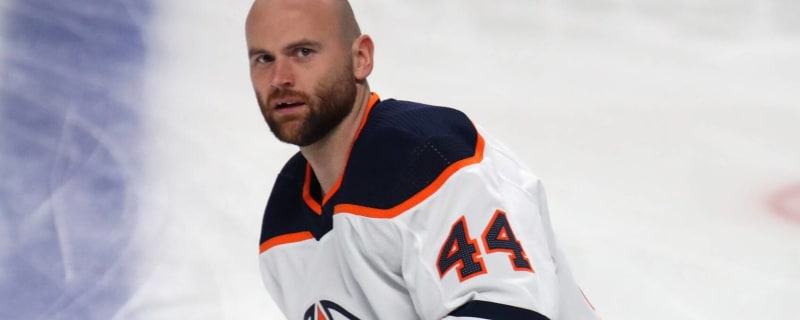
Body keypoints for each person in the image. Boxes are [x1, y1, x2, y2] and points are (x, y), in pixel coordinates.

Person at [245, 0, 599, 319]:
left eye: (303, 52)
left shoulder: (431, 160)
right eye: (264, 58)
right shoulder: (283, 225)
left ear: (361, 58)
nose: (280, 79)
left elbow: (509, 313)